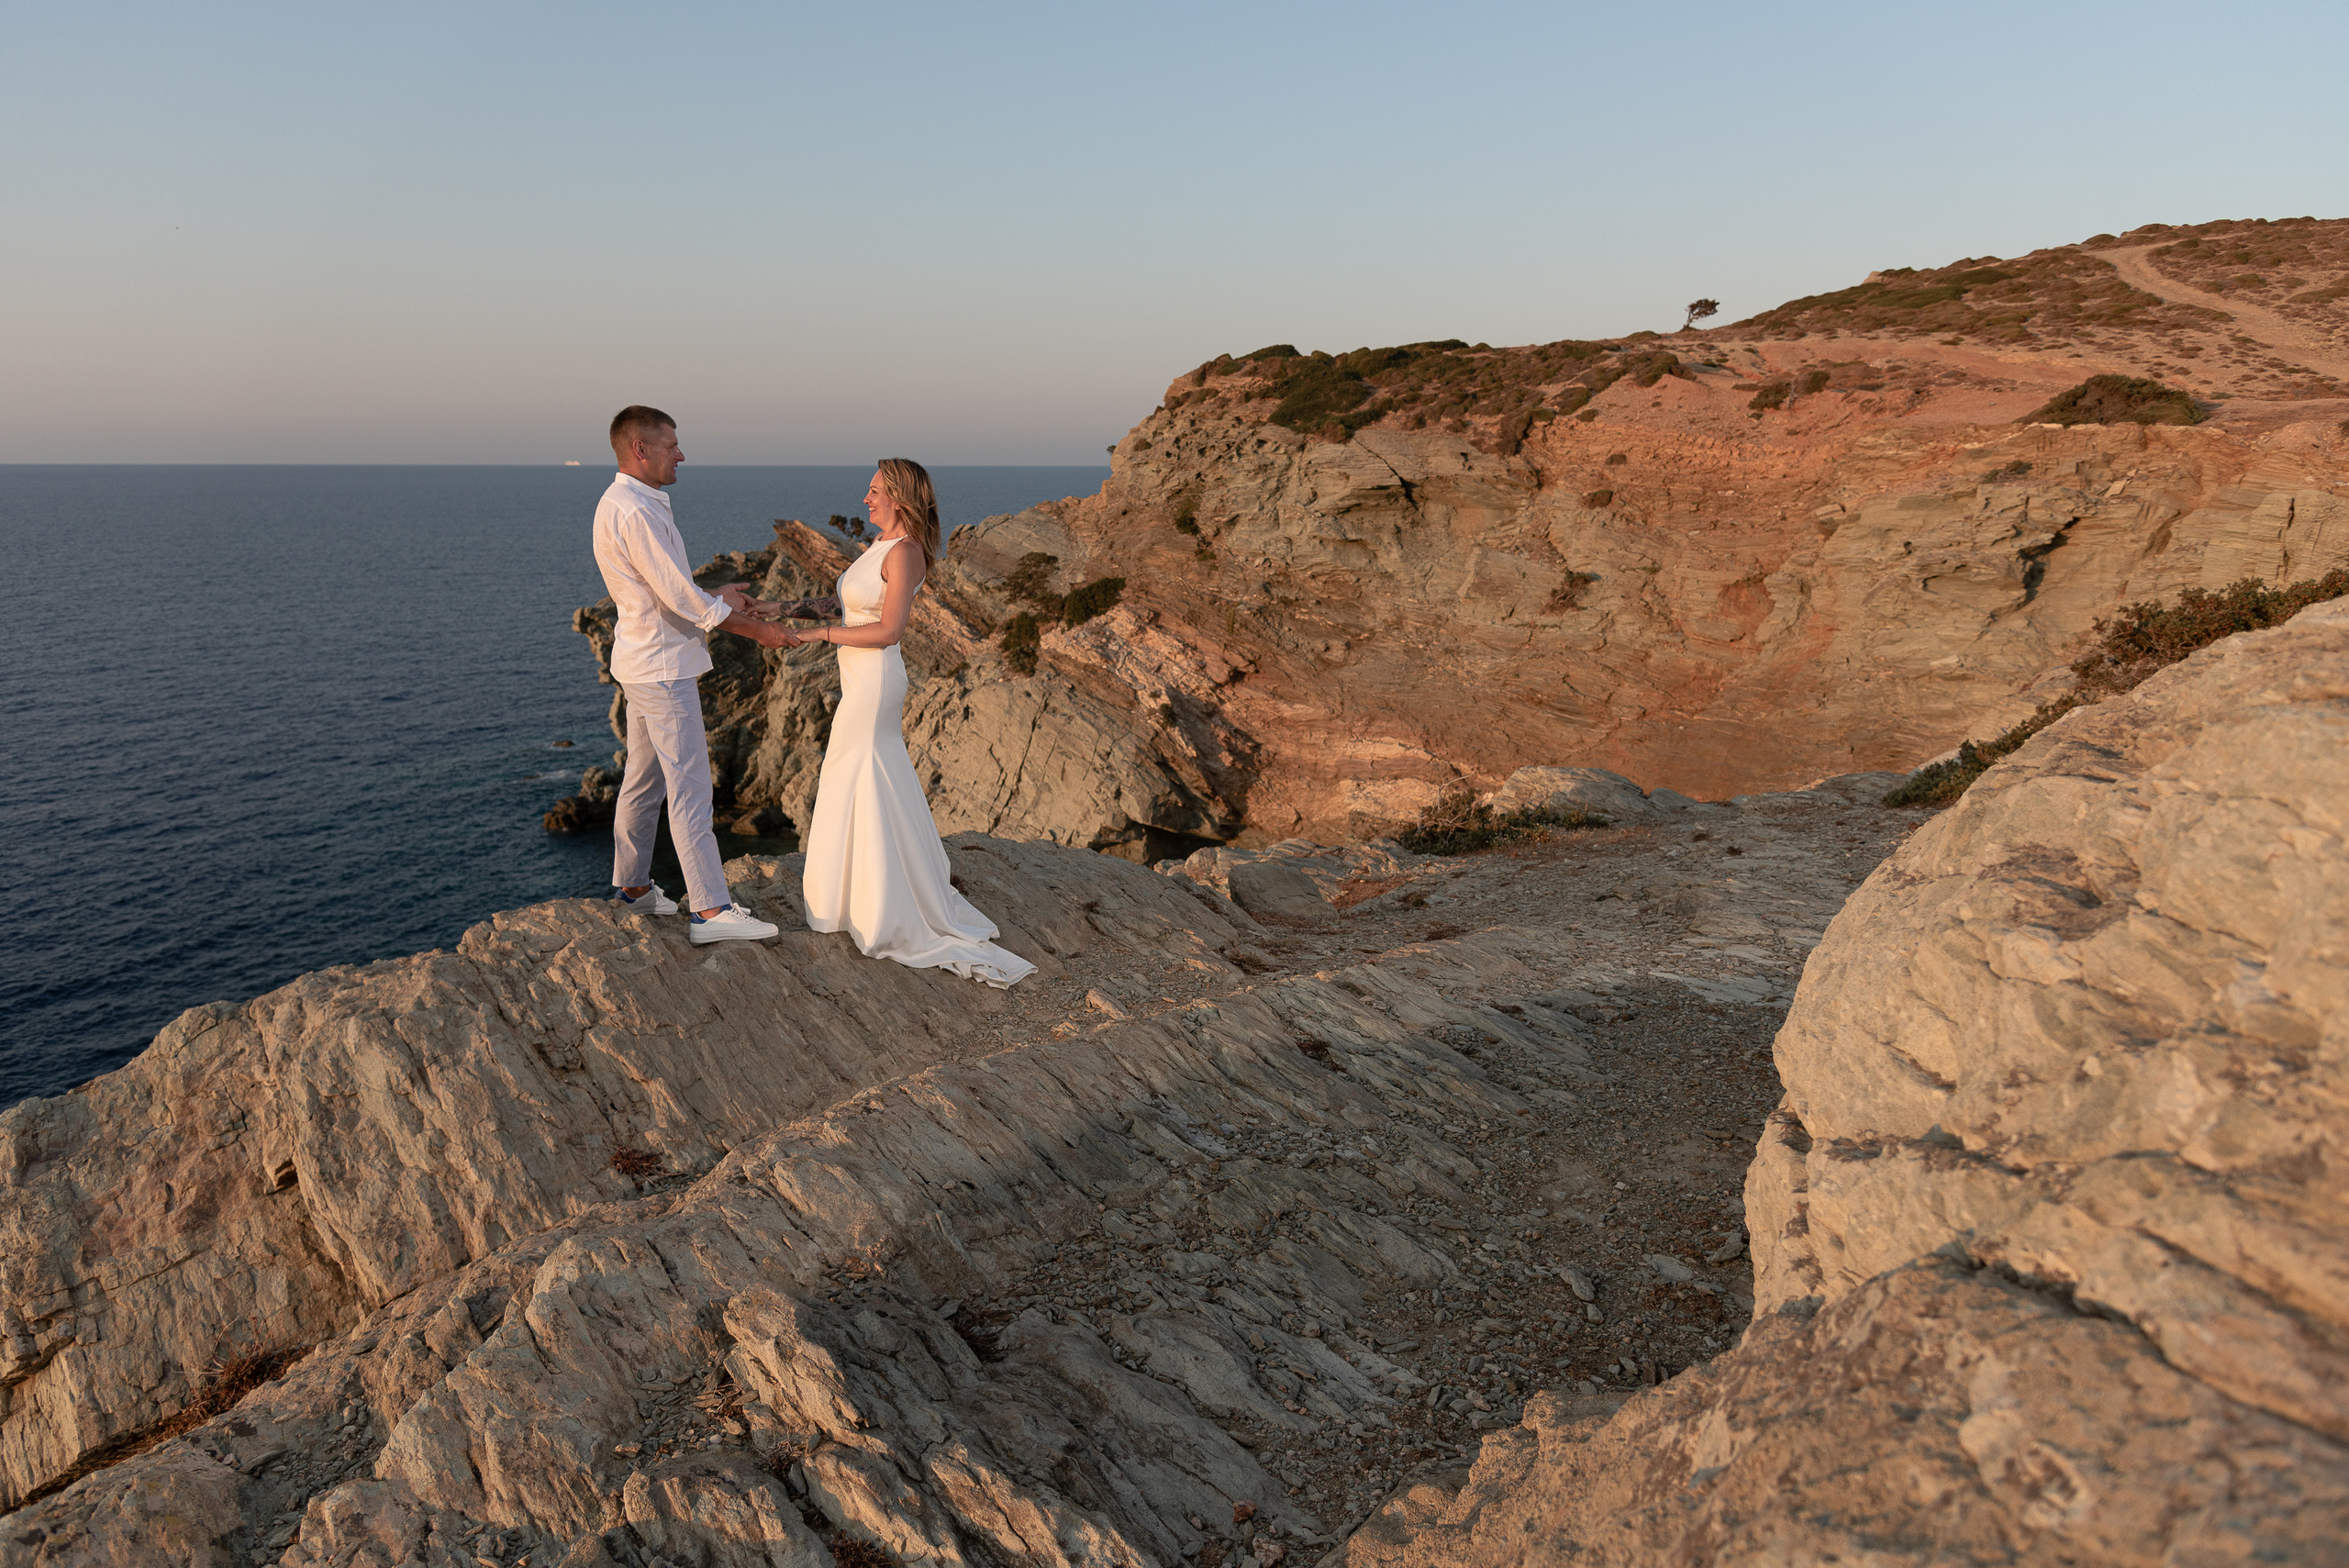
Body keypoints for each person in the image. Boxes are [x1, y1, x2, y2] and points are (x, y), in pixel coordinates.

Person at [774, 460, 1035, 987]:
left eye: (874, 491)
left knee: (862, 775)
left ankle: (883, 908)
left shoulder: (906, 552)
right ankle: (852, 900)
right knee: (854, 778)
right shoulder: (879, 546)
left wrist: (816, 636)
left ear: (900, 496)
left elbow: (889, 630)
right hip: (858, 679)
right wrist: (774, 607)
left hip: (875, 682)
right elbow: (846, 605)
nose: (865, 498)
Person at [592, 406, 793, 945]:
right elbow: (682, 599)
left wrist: (716, 595)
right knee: (691, 789)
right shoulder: (636, 511)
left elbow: (666, 592)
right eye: (671, 445)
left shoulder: (625, 502)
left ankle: (633, 889)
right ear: (640, 449)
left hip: (641, 665)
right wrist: (760, 631)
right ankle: (709, 909)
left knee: (642, 780)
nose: (681, 454)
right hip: (662, 671)